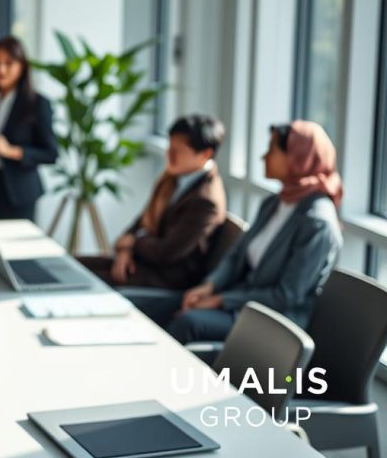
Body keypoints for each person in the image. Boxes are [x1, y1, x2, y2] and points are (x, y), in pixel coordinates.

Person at [158, 121, 343, 344]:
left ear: (297, 158)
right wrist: (210, 286)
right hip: (238, 301)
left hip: (271, 323)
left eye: (272, 150)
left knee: (188, 323)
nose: (263, 157)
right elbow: (237, 253)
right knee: (159, 307)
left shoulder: (318, 223)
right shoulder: (275, 202)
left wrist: (220, 300)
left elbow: (285, 296)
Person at [79, 115, 227, 290]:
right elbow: (141, 221)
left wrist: (133, 243)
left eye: (177, 150)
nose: (168, 155)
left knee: (80, 281)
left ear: (206, 154)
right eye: (169, 146)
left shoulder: (206, 201)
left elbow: (167, 252)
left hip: (165, 278)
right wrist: (125, 250)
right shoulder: (171, 179)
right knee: (69, 265)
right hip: (142, 261)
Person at [0, 35, 59, 220]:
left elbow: (51, 153)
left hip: (17, 192)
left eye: (8, 63)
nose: (0, 69)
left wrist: (11, 151)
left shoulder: (37, 103)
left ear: (22, 66)